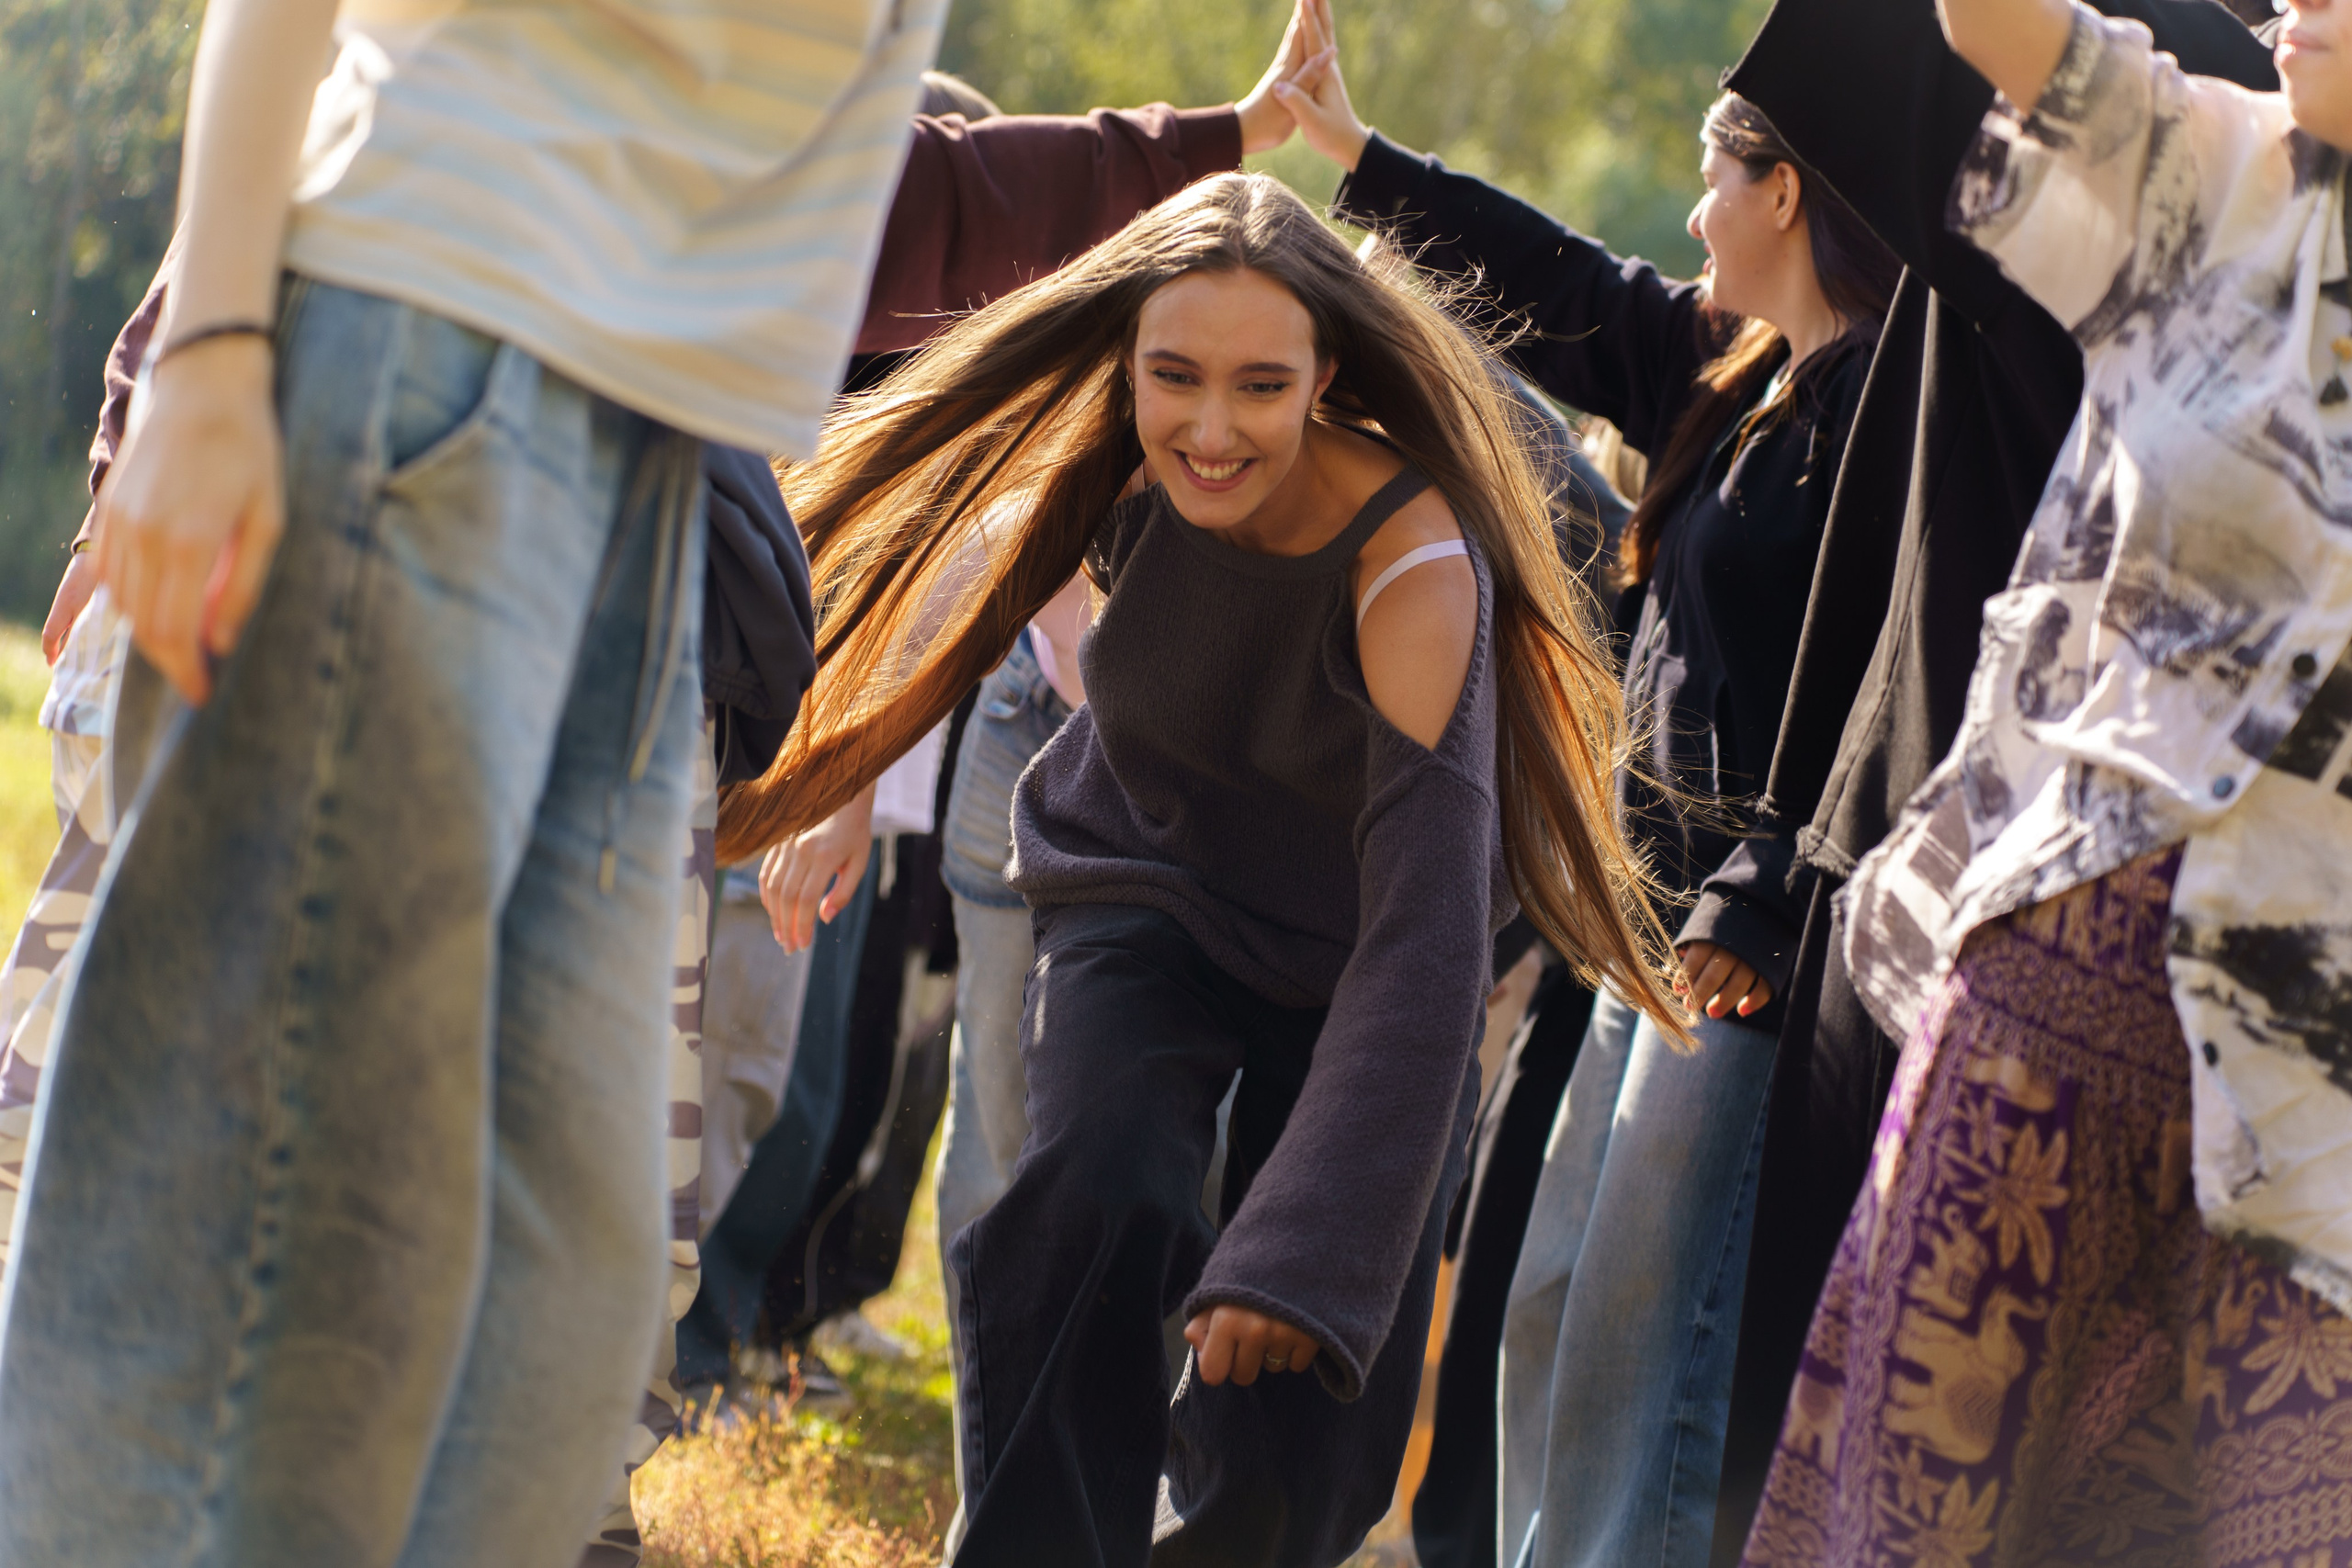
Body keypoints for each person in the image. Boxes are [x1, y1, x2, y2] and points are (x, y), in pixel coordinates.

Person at [0, 0, 947, 1561]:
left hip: (655, 452)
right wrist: (215, 346)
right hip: (432, 339)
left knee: (562, 1290)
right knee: (246, 1181)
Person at [716, 165, 1684, 1563]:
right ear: (1129, 366)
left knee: (1298, 1412)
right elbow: (951, 583)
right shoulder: (1114, 452)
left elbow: (1421, 943)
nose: (1211, 429)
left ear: (1325, 374)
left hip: (1359, 955)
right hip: (1147, 888)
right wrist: (847, 779)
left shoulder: (1416, 563)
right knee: (1101, 1186)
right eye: (1175, 378)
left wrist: (1300, 1250)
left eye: (1260, 388)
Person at [1733, 0, 2352, 1557]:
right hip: (2064, 963)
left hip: (2321, 1070)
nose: (2296, 7)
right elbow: (1990, 23)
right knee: (1918, 1515)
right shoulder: (2212, 161)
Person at [1279, 10, 1897, 1562]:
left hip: (1743, 953)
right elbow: (1561, 288)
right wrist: (1358, 161)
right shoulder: (1739, 370)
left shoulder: (1893, 415)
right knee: (1545, 1291)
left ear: (1789, 194)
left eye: (1714, 179)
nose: (1692, 216)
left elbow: (1869, 699)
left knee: (1645, 1331)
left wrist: (1764, 894)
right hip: (1630, 918)